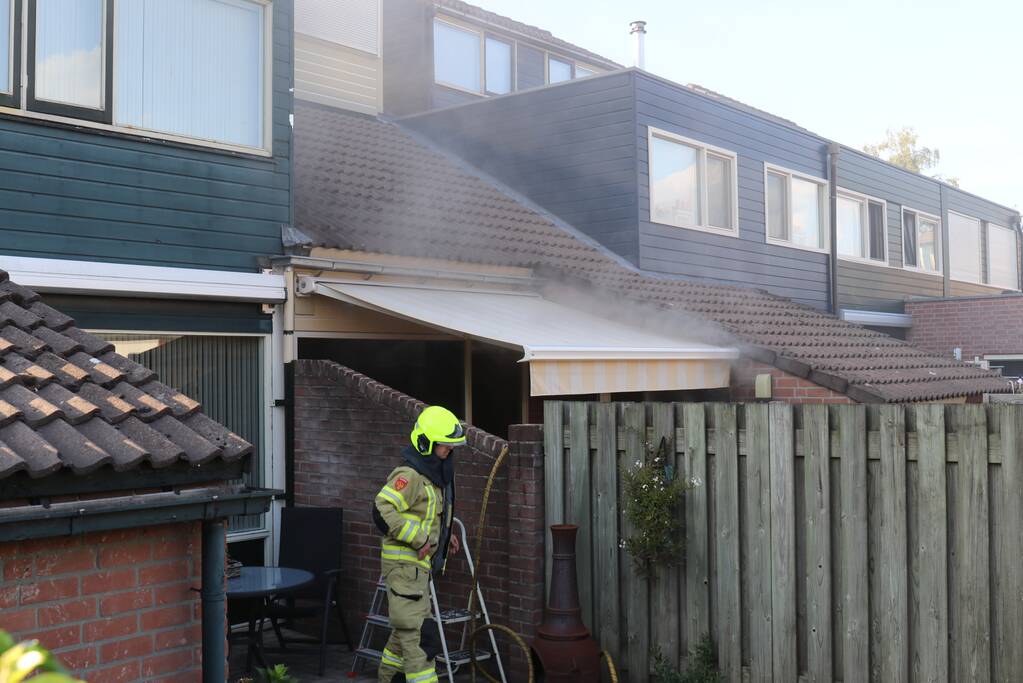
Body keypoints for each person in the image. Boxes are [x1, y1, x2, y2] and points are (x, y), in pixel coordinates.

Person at [373, 406, 464, 683]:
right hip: (404, 570)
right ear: (425, 443)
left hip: (415, 572)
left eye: (450, 445)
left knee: (403, 636)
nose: (448, 449)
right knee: (420, 641)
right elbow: (382, 509)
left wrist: (445, 538)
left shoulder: (429, 477)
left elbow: (426, 516)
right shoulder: (409, 475)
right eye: (443, 445)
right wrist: (420, 538)